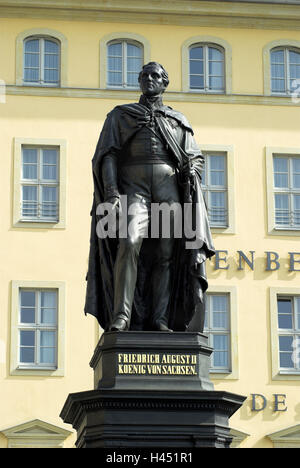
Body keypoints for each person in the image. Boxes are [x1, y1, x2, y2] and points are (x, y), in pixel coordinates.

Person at [84, 62, 215, 332]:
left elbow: (195, 156)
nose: (149, 79)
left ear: (165, 83)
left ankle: (161, 318)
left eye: (155, 76)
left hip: (168, 187)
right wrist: (110, 192)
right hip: (133, 185)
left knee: (166, 253)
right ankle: (122, 315)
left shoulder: (177, 119)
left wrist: (193, 168)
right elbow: (106, 155)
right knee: (129, 243)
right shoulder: (120, 116)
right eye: (144, 75)